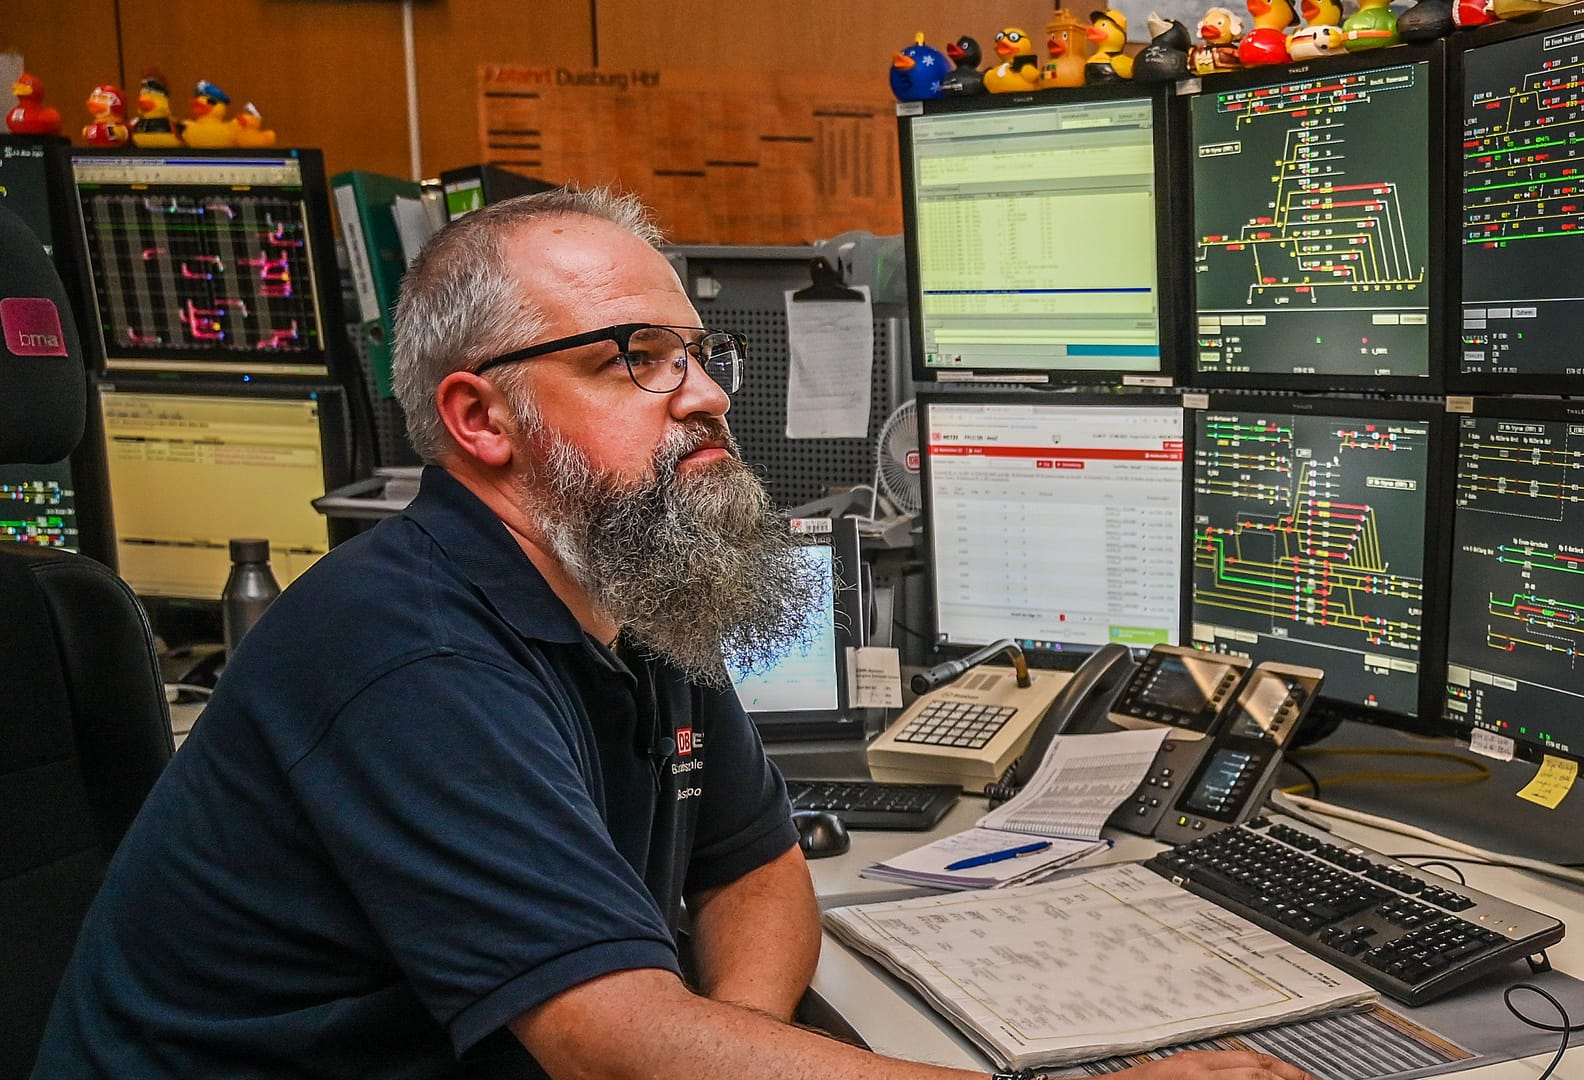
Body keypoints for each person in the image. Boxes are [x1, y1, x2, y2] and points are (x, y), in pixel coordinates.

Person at [32, 188, 1315, 1080]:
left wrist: (732, 1042)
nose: (702, 394)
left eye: (695, 355)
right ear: (482, 420)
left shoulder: (627, 581)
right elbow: (608, 1040)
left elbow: (752, 863)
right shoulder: (405, 653)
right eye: (633, 359)